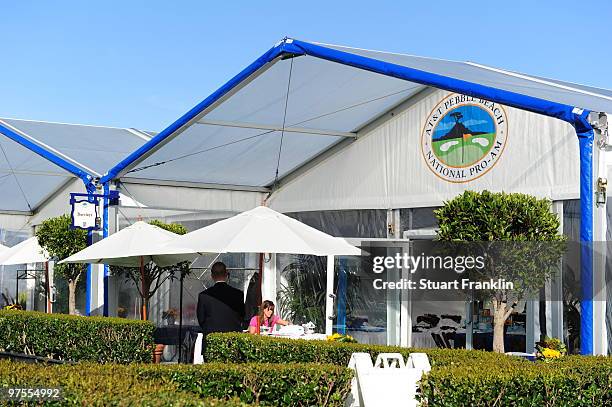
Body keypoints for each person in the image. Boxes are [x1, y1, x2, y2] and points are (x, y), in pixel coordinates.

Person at [197, 262, 245, 336]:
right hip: (232, 337)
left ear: (212, 275)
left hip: (212, 337)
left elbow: (201, 319)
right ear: (226, 274)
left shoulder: (204, 296)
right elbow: (242, 315)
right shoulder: (238, 294)